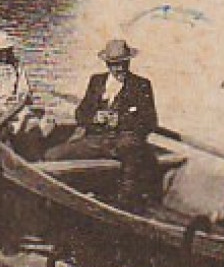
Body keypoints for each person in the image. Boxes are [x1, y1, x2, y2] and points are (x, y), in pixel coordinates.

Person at [45, 38, 161, 208]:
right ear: (107, 64)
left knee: (132, 154)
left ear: (128, 61)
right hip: (96, 141)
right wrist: (95, 118)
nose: (119, 68)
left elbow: (150, 122)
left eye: (123, 63)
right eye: (114, 64)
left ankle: (125, 204)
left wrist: (121, 120)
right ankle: (61, 199)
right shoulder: (97, 82)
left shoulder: (141, 85)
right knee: (52, 156)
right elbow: (80, 114)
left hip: (125, 141)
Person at [0, 30, 53, 157]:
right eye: (0, 51)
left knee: (37, 123)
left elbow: (23, 90)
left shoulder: (16, 67)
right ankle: (5, 149)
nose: (4, 54)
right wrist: (2, 107)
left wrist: (20, 101)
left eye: (6, 50)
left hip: (16, 107)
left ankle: (32, 154)